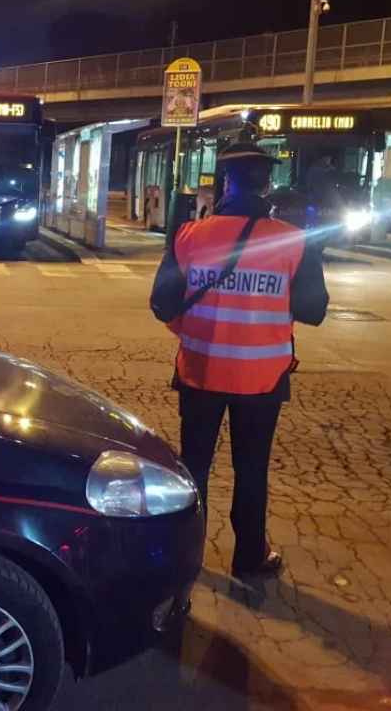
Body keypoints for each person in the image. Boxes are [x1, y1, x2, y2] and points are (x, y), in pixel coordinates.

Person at [150, 142, 329, 580]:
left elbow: (161, 302)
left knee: (194, 466)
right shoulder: (291, 240)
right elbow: (313, 311)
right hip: (262, 380)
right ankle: (249, 556)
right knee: (252, 467)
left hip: (200, 370)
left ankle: (186, 558)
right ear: (267, 183)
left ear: (223, 182)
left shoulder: (190, 236)